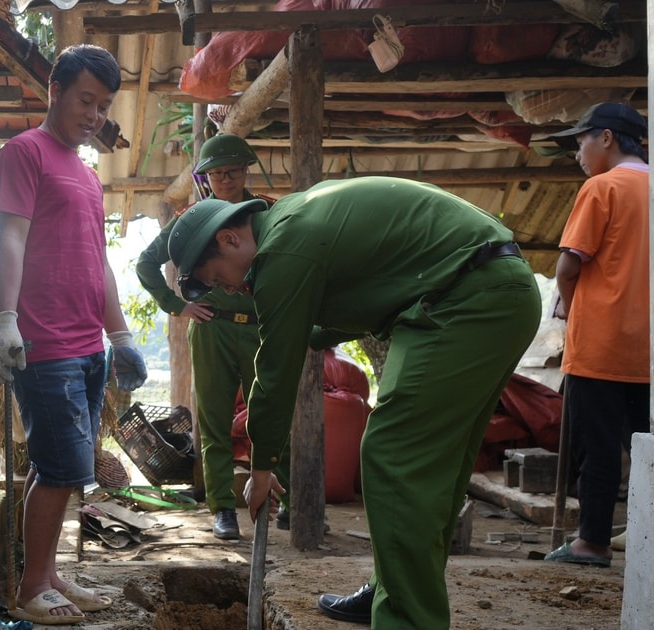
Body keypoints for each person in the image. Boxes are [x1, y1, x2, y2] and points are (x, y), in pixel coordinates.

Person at [167, 176, 541, 628]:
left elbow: (276, 371)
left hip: (465, 300)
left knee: (394, 453)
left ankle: (406, 618)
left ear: (229, 238)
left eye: (217, 277)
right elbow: (349, 304)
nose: (226, 289)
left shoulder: (282, 251)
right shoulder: (294, 221)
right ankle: (394, 588)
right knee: (435, 464)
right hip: (487, 292)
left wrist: (262, 465)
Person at [0, 43, 147, 626]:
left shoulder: (86, 174)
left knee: (54, 467)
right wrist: (7, 323)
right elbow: (12, 241)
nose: (95, 115)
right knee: (61, 471)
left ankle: (48, 575)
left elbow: (99, 262)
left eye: (103, 107)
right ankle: (30, 588)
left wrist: (121, 335)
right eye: (86, 101)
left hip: (87, 345)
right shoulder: (23, 154)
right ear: (54, 91)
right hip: (44, 342)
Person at [135, 133, 289, 540]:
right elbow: (147, 263)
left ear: (245, 172)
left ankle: (289, 500)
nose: (225, 179)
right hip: (212, 327)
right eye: (217, 173)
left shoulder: (266, 215)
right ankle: (223, 508)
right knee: (216, 421)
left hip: (260, 328)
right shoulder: (192, 222)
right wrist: (178, 305)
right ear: (205, 176)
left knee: (272, 414)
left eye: (232, 171)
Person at [543, 102, 650, 568]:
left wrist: (567, 302)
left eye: (582, 141)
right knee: (646, 447)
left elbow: (569, 265)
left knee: (600, 452)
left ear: (607, 138)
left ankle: (592, 543)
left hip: (602, 346)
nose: (579, 153)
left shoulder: (602, 188)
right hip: (648, 351)